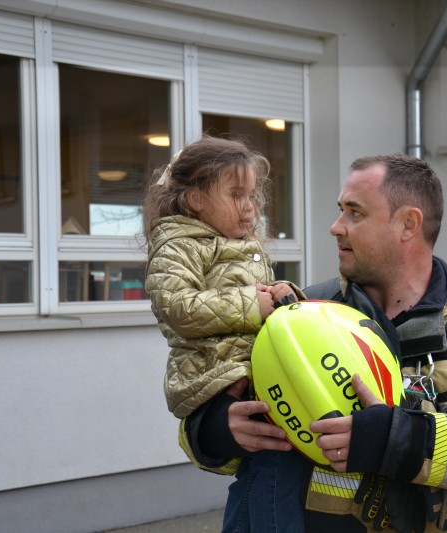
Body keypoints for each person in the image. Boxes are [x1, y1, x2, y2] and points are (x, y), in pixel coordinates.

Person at [186, 153, 447, 533]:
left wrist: (401, 438)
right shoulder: (299, 312)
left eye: (355, 213)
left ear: (408, 224)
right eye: (340, 211)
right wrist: (216, 430)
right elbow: (199, 424)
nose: (335, 227)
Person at [142, 135, 306, 532]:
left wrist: (283, 294)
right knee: (278, 454)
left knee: (265, 465)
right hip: (213, 369)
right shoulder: (177, 245)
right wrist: (252, 304)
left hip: (242, 365)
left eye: (252, 196)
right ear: (196, 199)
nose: (249, 207)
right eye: (235, 195)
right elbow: (176, 306)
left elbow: (253, 298)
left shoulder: (240, 245)